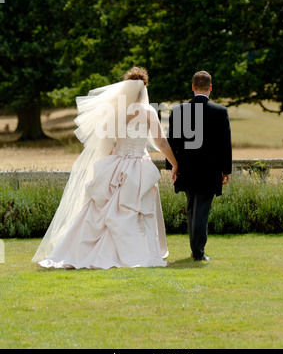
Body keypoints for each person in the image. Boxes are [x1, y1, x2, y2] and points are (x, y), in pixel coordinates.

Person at [33, 67, 178, 269]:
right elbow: (161, 143)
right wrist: (175, 163)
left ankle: (84, 252)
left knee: (102, 211)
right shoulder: (147, 112)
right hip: (138, 166)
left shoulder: (116, 110)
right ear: (144, 88)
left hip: (117, 164)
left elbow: (109, 142)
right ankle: (138, 254)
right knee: (136, 211)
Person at [167, 71, 232, 261]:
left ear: (193, 87)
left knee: (191, 209)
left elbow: (172, 142)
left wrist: (172, 167)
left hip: (186, 169)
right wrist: (226, 170)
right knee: (201, 211)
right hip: (209, 171)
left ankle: (196, 249)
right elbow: (224, 144)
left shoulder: (179, 110)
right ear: (210, 87)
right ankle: (198, 252)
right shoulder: (220, 112)